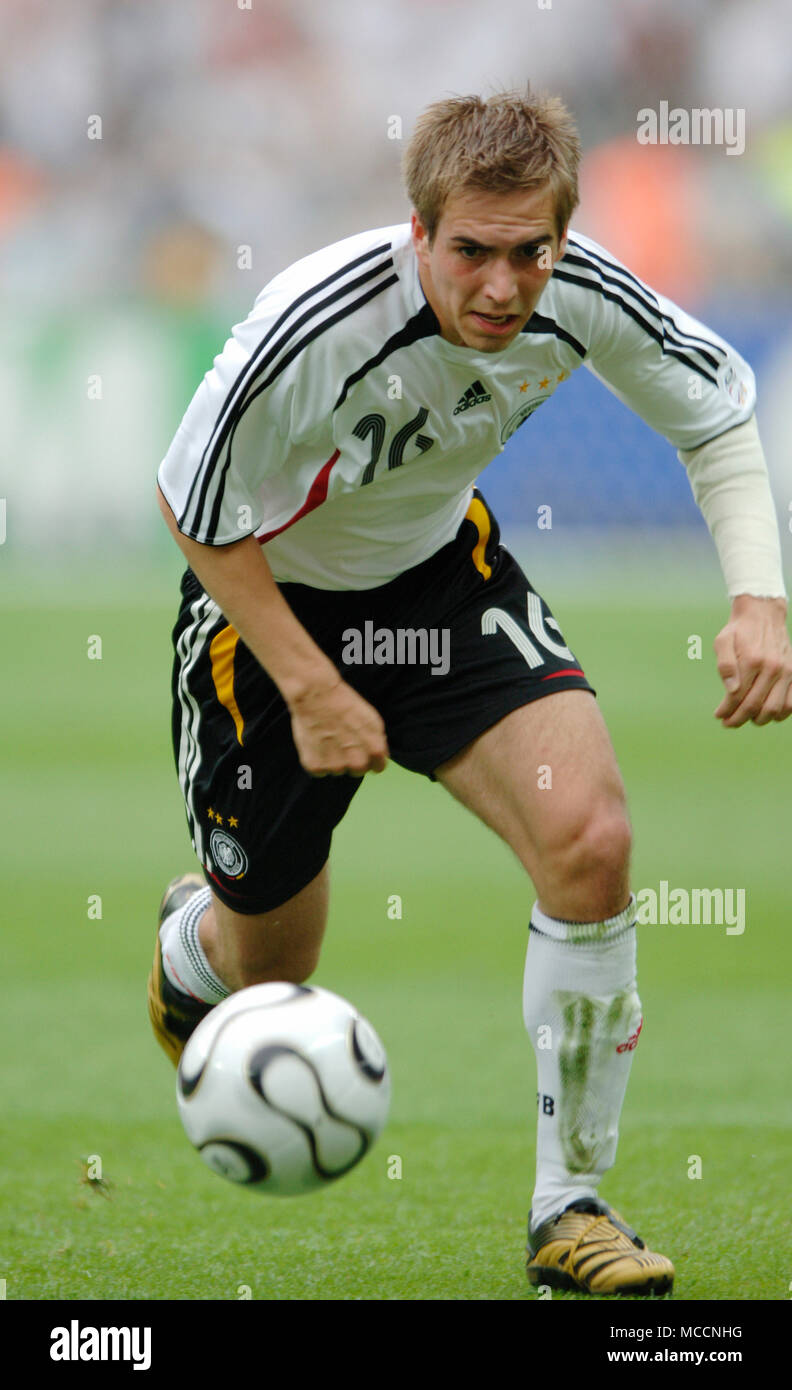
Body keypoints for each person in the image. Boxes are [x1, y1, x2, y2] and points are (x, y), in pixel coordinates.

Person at [148, 91, 792, 1296]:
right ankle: (201, 941)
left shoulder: (587, 290)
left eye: (530, 252)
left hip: (443, 582)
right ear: (419, 230)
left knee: (590, 838)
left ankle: (572, 1207)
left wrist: (760, 598)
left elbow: (717, 417)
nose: (503, 286)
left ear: (561, 235)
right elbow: (192, 507)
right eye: (472, 252)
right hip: (269, 610)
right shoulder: (311, 324)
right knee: (270, 971)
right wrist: (311, 681)